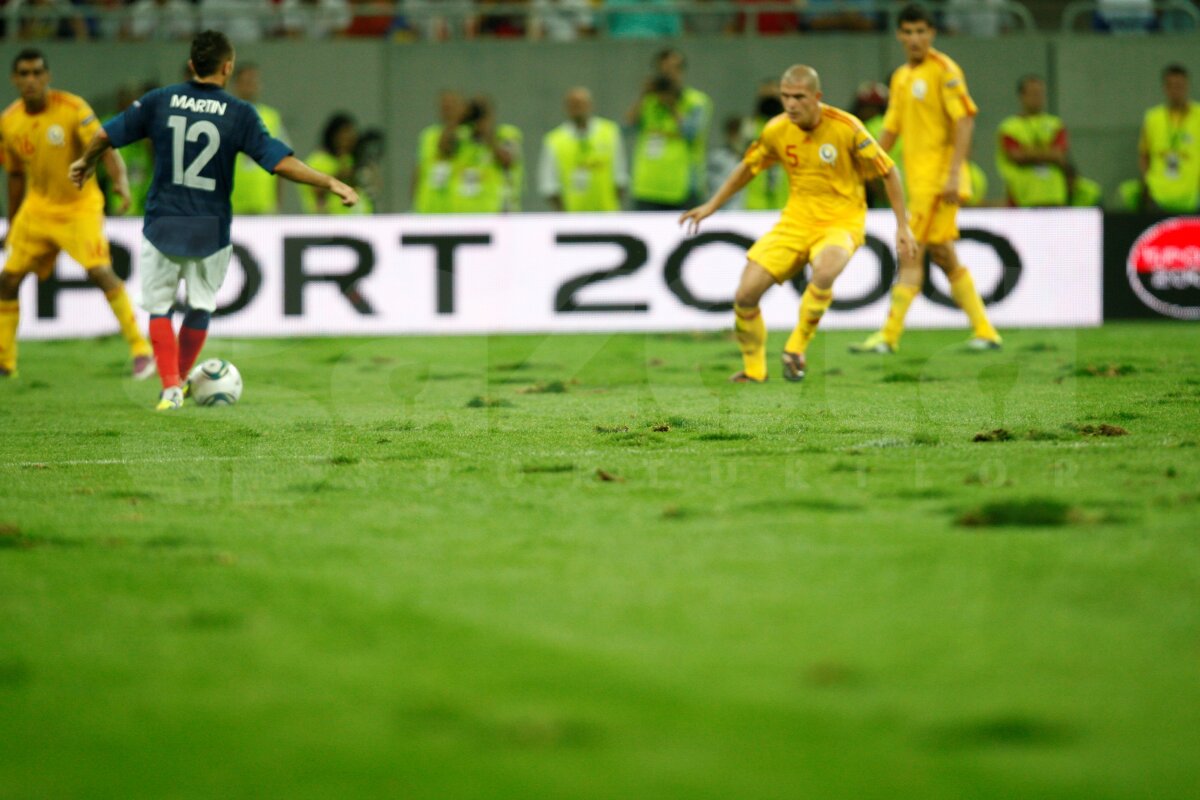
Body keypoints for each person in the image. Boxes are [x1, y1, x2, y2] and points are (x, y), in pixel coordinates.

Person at [69, 30, 358, 409]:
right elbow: (280, 162)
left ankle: (171, 386)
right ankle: (182, 380)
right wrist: (331, 181)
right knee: (201, 306)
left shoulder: (160, 101)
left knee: (160, 307)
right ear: (228, 67)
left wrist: (85, 161)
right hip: (211, 226)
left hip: (163, 221)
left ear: (192, 66)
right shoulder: (240, 113)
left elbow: (106, 133)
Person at [679, 65, 916, 384]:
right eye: (786, 96)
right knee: (745, 295)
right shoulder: (777, 129)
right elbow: (748, 167)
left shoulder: (846, 127)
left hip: (841, 221)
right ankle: (754, 370)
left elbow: (889, 171)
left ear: (816, 96)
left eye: (799, 97)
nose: (791, 104)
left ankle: (796, 348)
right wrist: (711, 205)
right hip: (795, 221)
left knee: (825, 271)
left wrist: (902, 226)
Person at [850, 3, 1001, 355]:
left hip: (938, 183)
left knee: (911, 256)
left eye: (922, 31)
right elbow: (889, 130)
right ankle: (985, 330)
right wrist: (862, 167)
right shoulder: (902, 77)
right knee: (945, 256)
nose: (915, 38)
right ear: (899, 34)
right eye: (909, 31)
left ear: (932, 33)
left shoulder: (945, 70)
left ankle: (888, 336)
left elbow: (964, 121)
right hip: (917, 184)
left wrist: (952, 173)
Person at [0, 48, 153, 380]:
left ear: (47, 76)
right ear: (14, 79)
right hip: (37, 209)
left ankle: (141, 349)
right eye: (23, 74)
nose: (31, 80)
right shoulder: (9, 121)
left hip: (78, 207)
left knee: (100, 272)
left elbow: (103, 143)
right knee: (8, 280)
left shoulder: (72, 108)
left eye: (37, 73)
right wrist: (12, 225)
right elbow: (14, 176)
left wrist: (120, 180)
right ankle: (5, 362)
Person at [996, 74, 1100, 208]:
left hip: (1055, 198)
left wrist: (1029, 151)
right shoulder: (1009, 127)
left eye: (1040, 93)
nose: (1037, 98)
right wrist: (1048, 153)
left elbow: (1059, 153)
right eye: (1033, 93)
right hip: (1022, 200)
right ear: (1021, 96)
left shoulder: (1056, 124)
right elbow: (1017, 156)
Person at [627, 49, 711, 211]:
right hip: (648, 186)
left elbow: (691, 133)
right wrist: (643, 96)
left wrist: (672, 105)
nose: (669, 75)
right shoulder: (649, 101)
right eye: (664, 70)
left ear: (682, 71)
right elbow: (629, 125)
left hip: (684, 186)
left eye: (674, 69)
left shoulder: (696, 101)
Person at [538, 87, 627, 212]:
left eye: (580, 104)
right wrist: (563, 215)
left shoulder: (610, 132)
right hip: (573, 217)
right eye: (573, 105)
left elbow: (620, 177)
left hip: (607, 215)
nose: (577, 109)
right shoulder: (554, 140)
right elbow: (549, 184)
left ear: (590, 105)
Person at [1135, 64, 1200, 214]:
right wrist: (1147, 183)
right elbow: (1144, 154)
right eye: (1171, 86)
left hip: (1192, 194)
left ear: (1187, 86)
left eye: (1180, 85)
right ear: (1165, 88)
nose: (1176, 90)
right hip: (1159, 193)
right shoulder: (1152, 118)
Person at [442, 96, 523, 213]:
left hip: (499, 215)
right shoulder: (463, 138)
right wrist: (458, 119)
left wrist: (487, 132)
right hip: (464, 215)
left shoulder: (506, 135)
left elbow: (507, 161)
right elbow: (442, 149)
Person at [230, 62, 289, 215]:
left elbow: (282, 162)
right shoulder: (223, 115)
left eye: (254, 81)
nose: (250, 85)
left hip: (264, 203)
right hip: (231, 203)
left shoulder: (272, 117)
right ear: (235, 85)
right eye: (246, 82)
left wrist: (278, 203)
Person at [298, 112, 372, 214]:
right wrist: (339, 176)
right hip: (330, 223)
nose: (349, 139)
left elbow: (368, 188)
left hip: (359, 220)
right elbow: (316, 192)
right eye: (345, 134)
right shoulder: (317, 160)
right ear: (333, 136)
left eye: (352, 134)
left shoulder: (350, 159)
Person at [412, 90, 465, 213]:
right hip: (429, 209)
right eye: (444, 106)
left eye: (452, 105)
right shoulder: (428, 136)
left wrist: (455, 123)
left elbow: (446, 146)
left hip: (458, 210)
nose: (447, 109)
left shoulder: (469, 136)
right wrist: (414, 204)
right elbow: (418, 171)